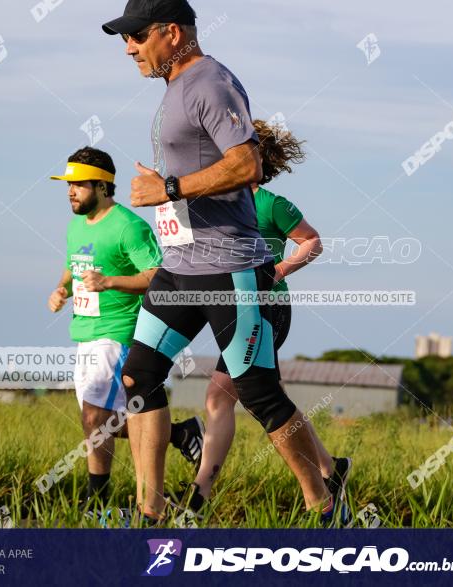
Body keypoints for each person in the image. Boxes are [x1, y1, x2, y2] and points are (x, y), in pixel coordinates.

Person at [101, 0, 340, 526]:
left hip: (230, 269)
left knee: (258, 392)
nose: (128, 48)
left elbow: (246, 162)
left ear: (172, 31)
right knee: (139, 378)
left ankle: (324, 506)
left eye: (137, 36)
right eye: (125, 38)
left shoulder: (209, 81)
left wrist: (169, 186)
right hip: (180, 266)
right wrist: (168, 194)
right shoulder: (174, 88)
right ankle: (151, 511)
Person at [177, 120, 351, 522]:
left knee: (231, 398)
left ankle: (199, 496)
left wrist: (281, 270)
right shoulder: (214, 201)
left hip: (267, 309)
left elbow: (312, 239)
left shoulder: (271, 203)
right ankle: (330, 468)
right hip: (233, 308)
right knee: (257, 399)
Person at [46, 146, 204, 521]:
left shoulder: (129, 226)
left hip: (117, 333)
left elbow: (157, 276)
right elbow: (73, 265)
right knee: (101, 422)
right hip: (84, 333)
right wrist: (61, 289)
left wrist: (110, 281)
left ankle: (95, 503)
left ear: (102, 186)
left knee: (92, 418)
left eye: (78, 185)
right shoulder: (75, 226)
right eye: (67, 185)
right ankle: (181, 434)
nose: (70, 192)